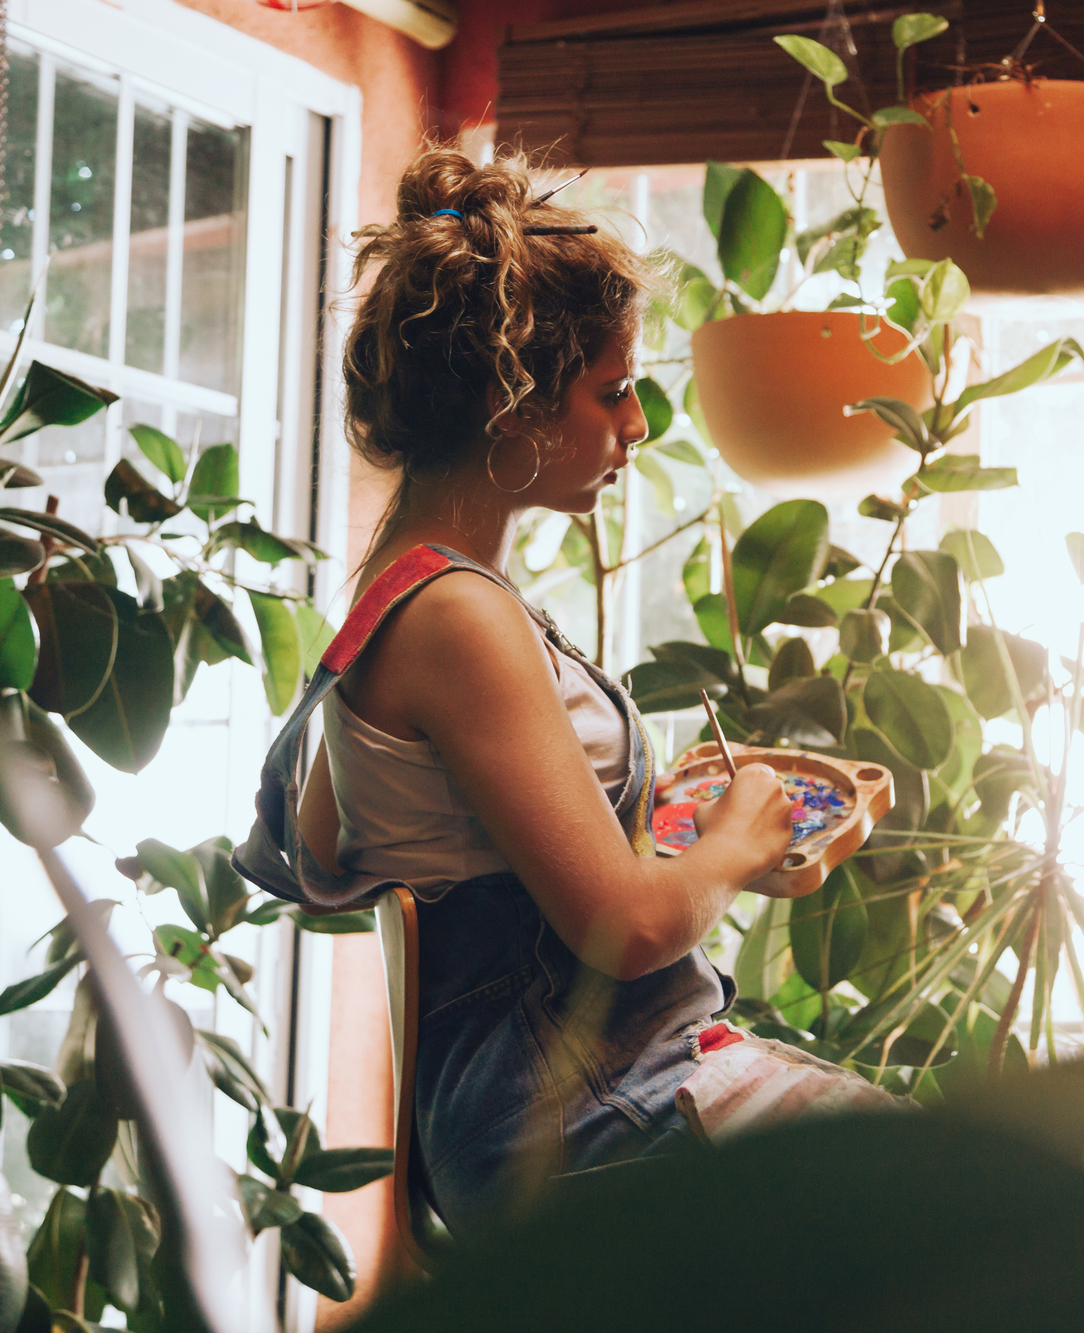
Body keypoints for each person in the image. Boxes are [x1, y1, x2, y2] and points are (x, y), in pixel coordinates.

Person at [234, 145, 836, 1228]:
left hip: (539, 1096)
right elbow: (625, 934)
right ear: (512, 406)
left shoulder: (402, 592)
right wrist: (739, 837)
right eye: (611, 393)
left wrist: (629, 825)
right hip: (574, 1105)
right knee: (954, 1212)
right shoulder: (458, 617)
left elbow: (366, 847)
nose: (636, 427)